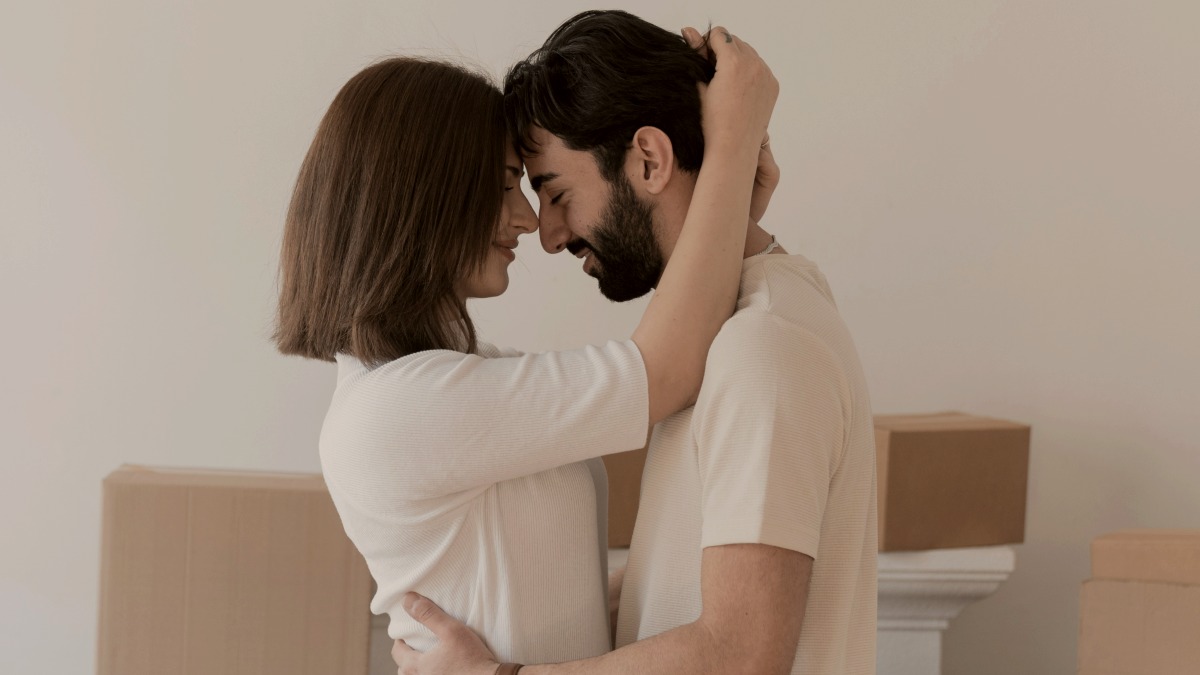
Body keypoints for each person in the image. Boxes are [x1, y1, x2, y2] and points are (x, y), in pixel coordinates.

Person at [273, 28, 777, 668]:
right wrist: (731, 138)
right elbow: (668, 367)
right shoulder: (401, 407)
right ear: (427, 194)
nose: (527, 220)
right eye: (508, 183)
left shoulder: (464, 377)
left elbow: (555, 595)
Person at [392, 10, 877, 675]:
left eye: (557, 192)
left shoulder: (761, 346)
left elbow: (740, 653)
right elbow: (693, 591)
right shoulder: (740, 329)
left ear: (649, 159)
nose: (550, 233)